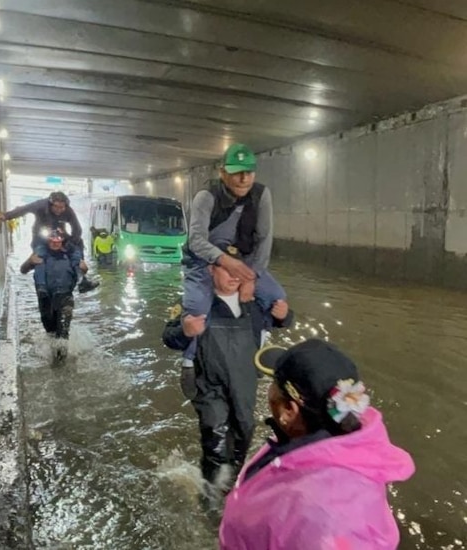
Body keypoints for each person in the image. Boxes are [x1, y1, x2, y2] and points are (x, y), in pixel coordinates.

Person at [218, 339, 415, 549]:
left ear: (288, 411)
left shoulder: (324, 519)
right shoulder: (329, 440)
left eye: (272, 384)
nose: (269, 391)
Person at [162, 247, 293, 493]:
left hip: (244, 384)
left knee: (244, 430)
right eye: (228, 269)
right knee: (215, 435)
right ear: (211, 269)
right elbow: (169, 337)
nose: (235, 276)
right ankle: (210, 499)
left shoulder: (255, 304)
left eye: (239, 269)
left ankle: (229, 488)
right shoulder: (195, 303)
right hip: (208, 384)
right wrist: (184, 331)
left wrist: (285, 316)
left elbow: (282, 320)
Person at [179, 143, 287, 367]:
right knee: (198, 308)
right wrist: (223, 261)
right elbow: (196, 241)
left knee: (275, 295)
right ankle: (189, 360)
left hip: (243, 260)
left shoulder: (261, 195)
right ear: (222, 173)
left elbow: (264, 240)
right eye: (237, 172)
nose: (243, 178)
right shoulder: (206, 197)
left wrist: (252, 277)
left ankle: (261, 338)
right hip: (203, 260)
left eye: (248, 172)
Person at [0, 191, 97, 292]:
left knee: (76, 249)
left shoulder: (68, 211)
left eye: (62, 207)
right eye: (56, 207)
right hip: (41, 236)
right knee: (40, 255)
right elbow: (24, 209)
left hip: (60, 235)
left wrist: (72, 244)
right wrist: (5, 216)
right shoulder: (40, 205)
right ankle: (41, 286)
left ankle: (82, 279)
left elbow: (77, 229)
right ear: (50, 204)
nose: (59, 210)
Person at [21, 227, 82, 361]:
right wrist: (29, 262)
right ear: (48, 242)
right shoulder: (40, 255)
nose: (55, 244)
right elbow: (23, 270)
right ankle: (53, 355)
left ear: (62, 242)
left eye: (58, 242)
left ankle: (60, 362)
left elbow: (81, 270)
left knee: (63, 331)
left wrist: (84, 269)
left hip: (65, 297)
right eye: (52, 242)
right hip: (46, 299)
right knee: (50, 330)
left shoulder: (70, 256)